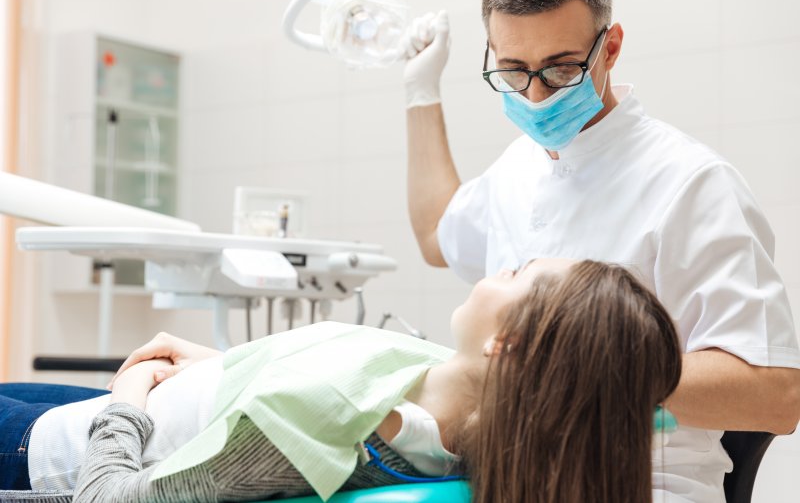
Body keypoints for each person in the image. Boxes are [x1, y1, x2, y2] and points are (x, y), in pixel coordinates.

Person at [402, 0, 800, 501]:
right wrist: (419, 93)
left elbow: (775, 397)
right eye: (514, 70)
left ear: (609, 48)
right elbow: (436, 234)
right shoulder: (517, 168)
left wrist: (577, 366)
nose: (538, 95)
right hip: (511, 479)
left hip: (643, 482)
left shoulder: (692, 183)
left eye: (562, 68)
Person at [0, 259, 681, 503]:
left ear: (508, 344)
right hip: (133, 405)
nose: (501, 267)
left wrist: (128, 399)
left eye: (520, 273)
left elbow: (108, 499)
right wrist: (220, 364)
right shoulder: (448, 401)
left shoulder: (320, 425)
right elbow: (317, 378)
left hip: (58, 453)